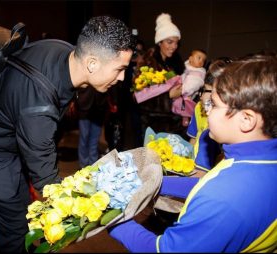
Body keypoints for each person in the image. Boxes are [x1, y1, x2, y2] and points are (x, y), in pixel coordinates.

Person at [0, 16, 135, 253]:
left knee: (24, 214)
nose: (122, 77)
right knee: (15, 233)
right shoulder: (38, 109)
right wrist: (88, 204)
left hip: (11, 140)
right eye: (120, 69)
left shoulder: (62, 50)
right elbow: (47, 182)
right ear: (92, 63)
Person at [109, 53, 277, 252]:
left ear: (247, 119)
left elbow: (164, 250)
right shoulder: (257, 161)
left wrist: (111, 214)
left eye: (213, 104)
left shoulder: (223, 198)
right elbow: (206, 183)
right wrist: (150, 182)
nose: (205, 110)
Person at [135, 13, 186, 138]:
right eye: (169, 42)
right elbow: (139, 97)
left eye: (176, 43)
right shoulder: (148, 62)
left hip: (174, 124)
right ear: (159, 42)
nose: (174, 46)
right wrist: (168, 96)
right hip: (154, 126)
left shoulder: (175, 63)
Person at [187, 58, 231, 172]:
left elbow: (199, 177)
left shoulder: (211, 136)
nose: (200, 97)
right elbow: (192, 139)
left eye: (206, 90)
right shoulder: (199, 109)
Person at [171, 49, 207, 126]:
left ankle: (186, 117)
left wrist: (182, 90)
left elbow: (192, 86)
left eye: (203, 60)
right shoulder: (184, 66)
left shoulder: (198, 73)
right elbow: (175, 73)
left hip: (186, 94)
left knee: (185, 106)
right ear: (190, 58)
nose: (201, 61)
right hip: (176, 89)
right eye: (199, 58)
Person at [77, 85, 108, 168]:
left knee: (94, 140)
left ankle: (92, 165)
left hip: (99, 105)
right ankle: (83, 166)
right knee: (84, 137)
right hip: (84, 105)